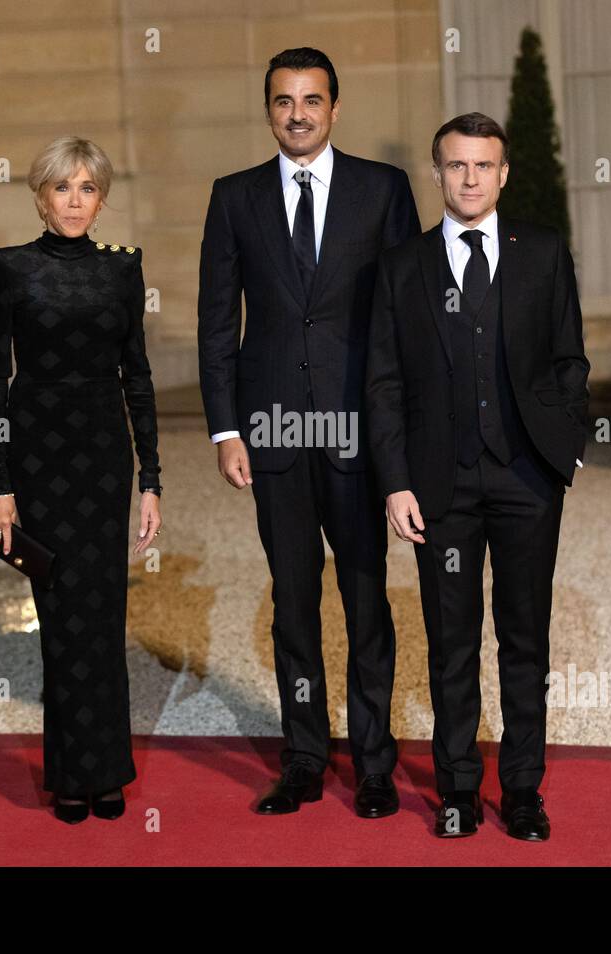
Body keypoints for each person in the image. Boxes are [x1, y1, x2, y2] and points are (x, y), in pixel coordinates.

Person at [197, 47, 420, 817]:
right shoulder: (234, 198)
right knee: (293, 603)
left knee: (366, 602)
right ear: (268, 110)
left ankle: (375, 764)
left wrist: (402, 434)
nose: (298, 113)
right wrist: (226, 429)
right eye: (284, 101)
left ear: (334, 107)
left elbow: (408, 319)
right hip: (272, 432)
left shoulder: (383, 191)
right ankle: (302, 756)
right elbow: (216, 321)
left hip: (359, 431)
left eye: (312, 100)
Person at [365, 112, 590, 840]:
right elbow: (385, 383)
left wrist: (567, 445)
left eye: (483, 166)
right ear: (438, 172)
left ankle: (524, 789)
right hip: (440, 486)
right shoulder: (402, 267)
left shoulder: (544, 254)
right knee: (451, 640)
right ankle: (459, 787)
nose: (470, 178)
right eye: (457, 166)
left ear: (503, 173)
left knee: (525, 639)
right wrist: (395, 481)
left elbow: (569, 361)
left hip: (527, 480)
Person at [0, 136, 162, 824]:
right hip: (37, 460)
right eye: (63, 188)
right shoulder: (9, 268)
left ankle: (107, 771)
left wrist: (153, 478)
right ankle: (69, 774)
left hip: (102, 458)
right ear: (40, 196)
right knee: (59, 619)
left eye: (88, 188)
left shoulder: (122, 272)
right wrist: (0, 486)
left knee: (103, 612)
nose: (76, 201)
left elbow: (137, 378)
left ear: (102, 197)